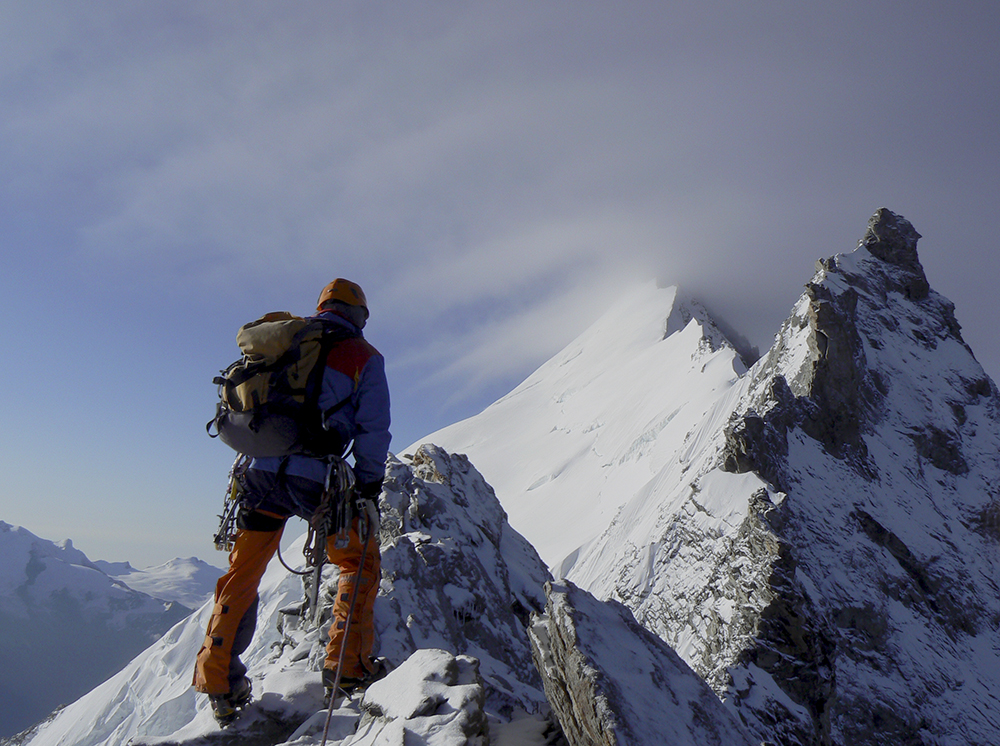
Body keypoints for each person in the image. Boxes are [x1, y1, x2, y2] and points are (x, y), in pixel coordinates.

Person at [193, 278, 391, 725]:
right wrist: (368, 485)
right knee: (357, 561)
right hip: (317, 478)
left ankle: (218, 679)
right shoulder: (362, 355)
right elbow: (373, 429)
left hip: (258, 473)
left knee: (242, 573)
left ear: (322, 307)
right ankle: (348, 667)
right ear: (359, 314)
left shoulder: (289, 339)